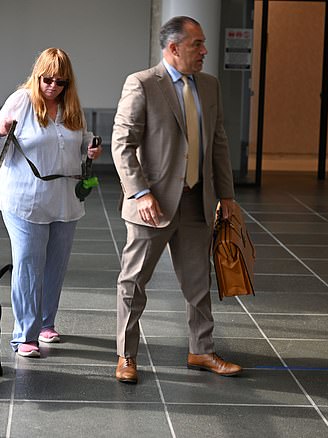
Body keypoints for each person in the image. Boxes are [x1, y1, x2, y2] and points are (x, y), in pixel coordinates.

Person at [111, 16, 242, 384]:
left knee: (198, 283)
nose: (204, 51)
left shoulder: (210, 86)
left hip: (197, 201)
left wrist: (226, 195)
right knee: (133, 282)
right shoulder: (142, 84)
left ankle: (201, 350)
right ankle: (126, 356)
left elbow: (218, 144)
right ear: (173, 48)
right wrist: (140, 192)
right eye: (197, 44)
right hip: (151, 205)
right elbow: (122, 145)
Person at [0, 48, 102, 358]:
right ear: (37, 77)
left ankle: (46, 323)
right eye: (47, 80)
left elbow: (75, 142)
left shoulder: (71, 107)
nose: (52, 87)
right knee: (28, 266)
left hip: (65, 200)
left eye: (60, 82)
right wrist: (2, 129)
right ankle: (24, 335)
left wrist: (89, 147)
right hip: (25, 200)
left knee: (55, 267)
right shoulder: (21, 101)